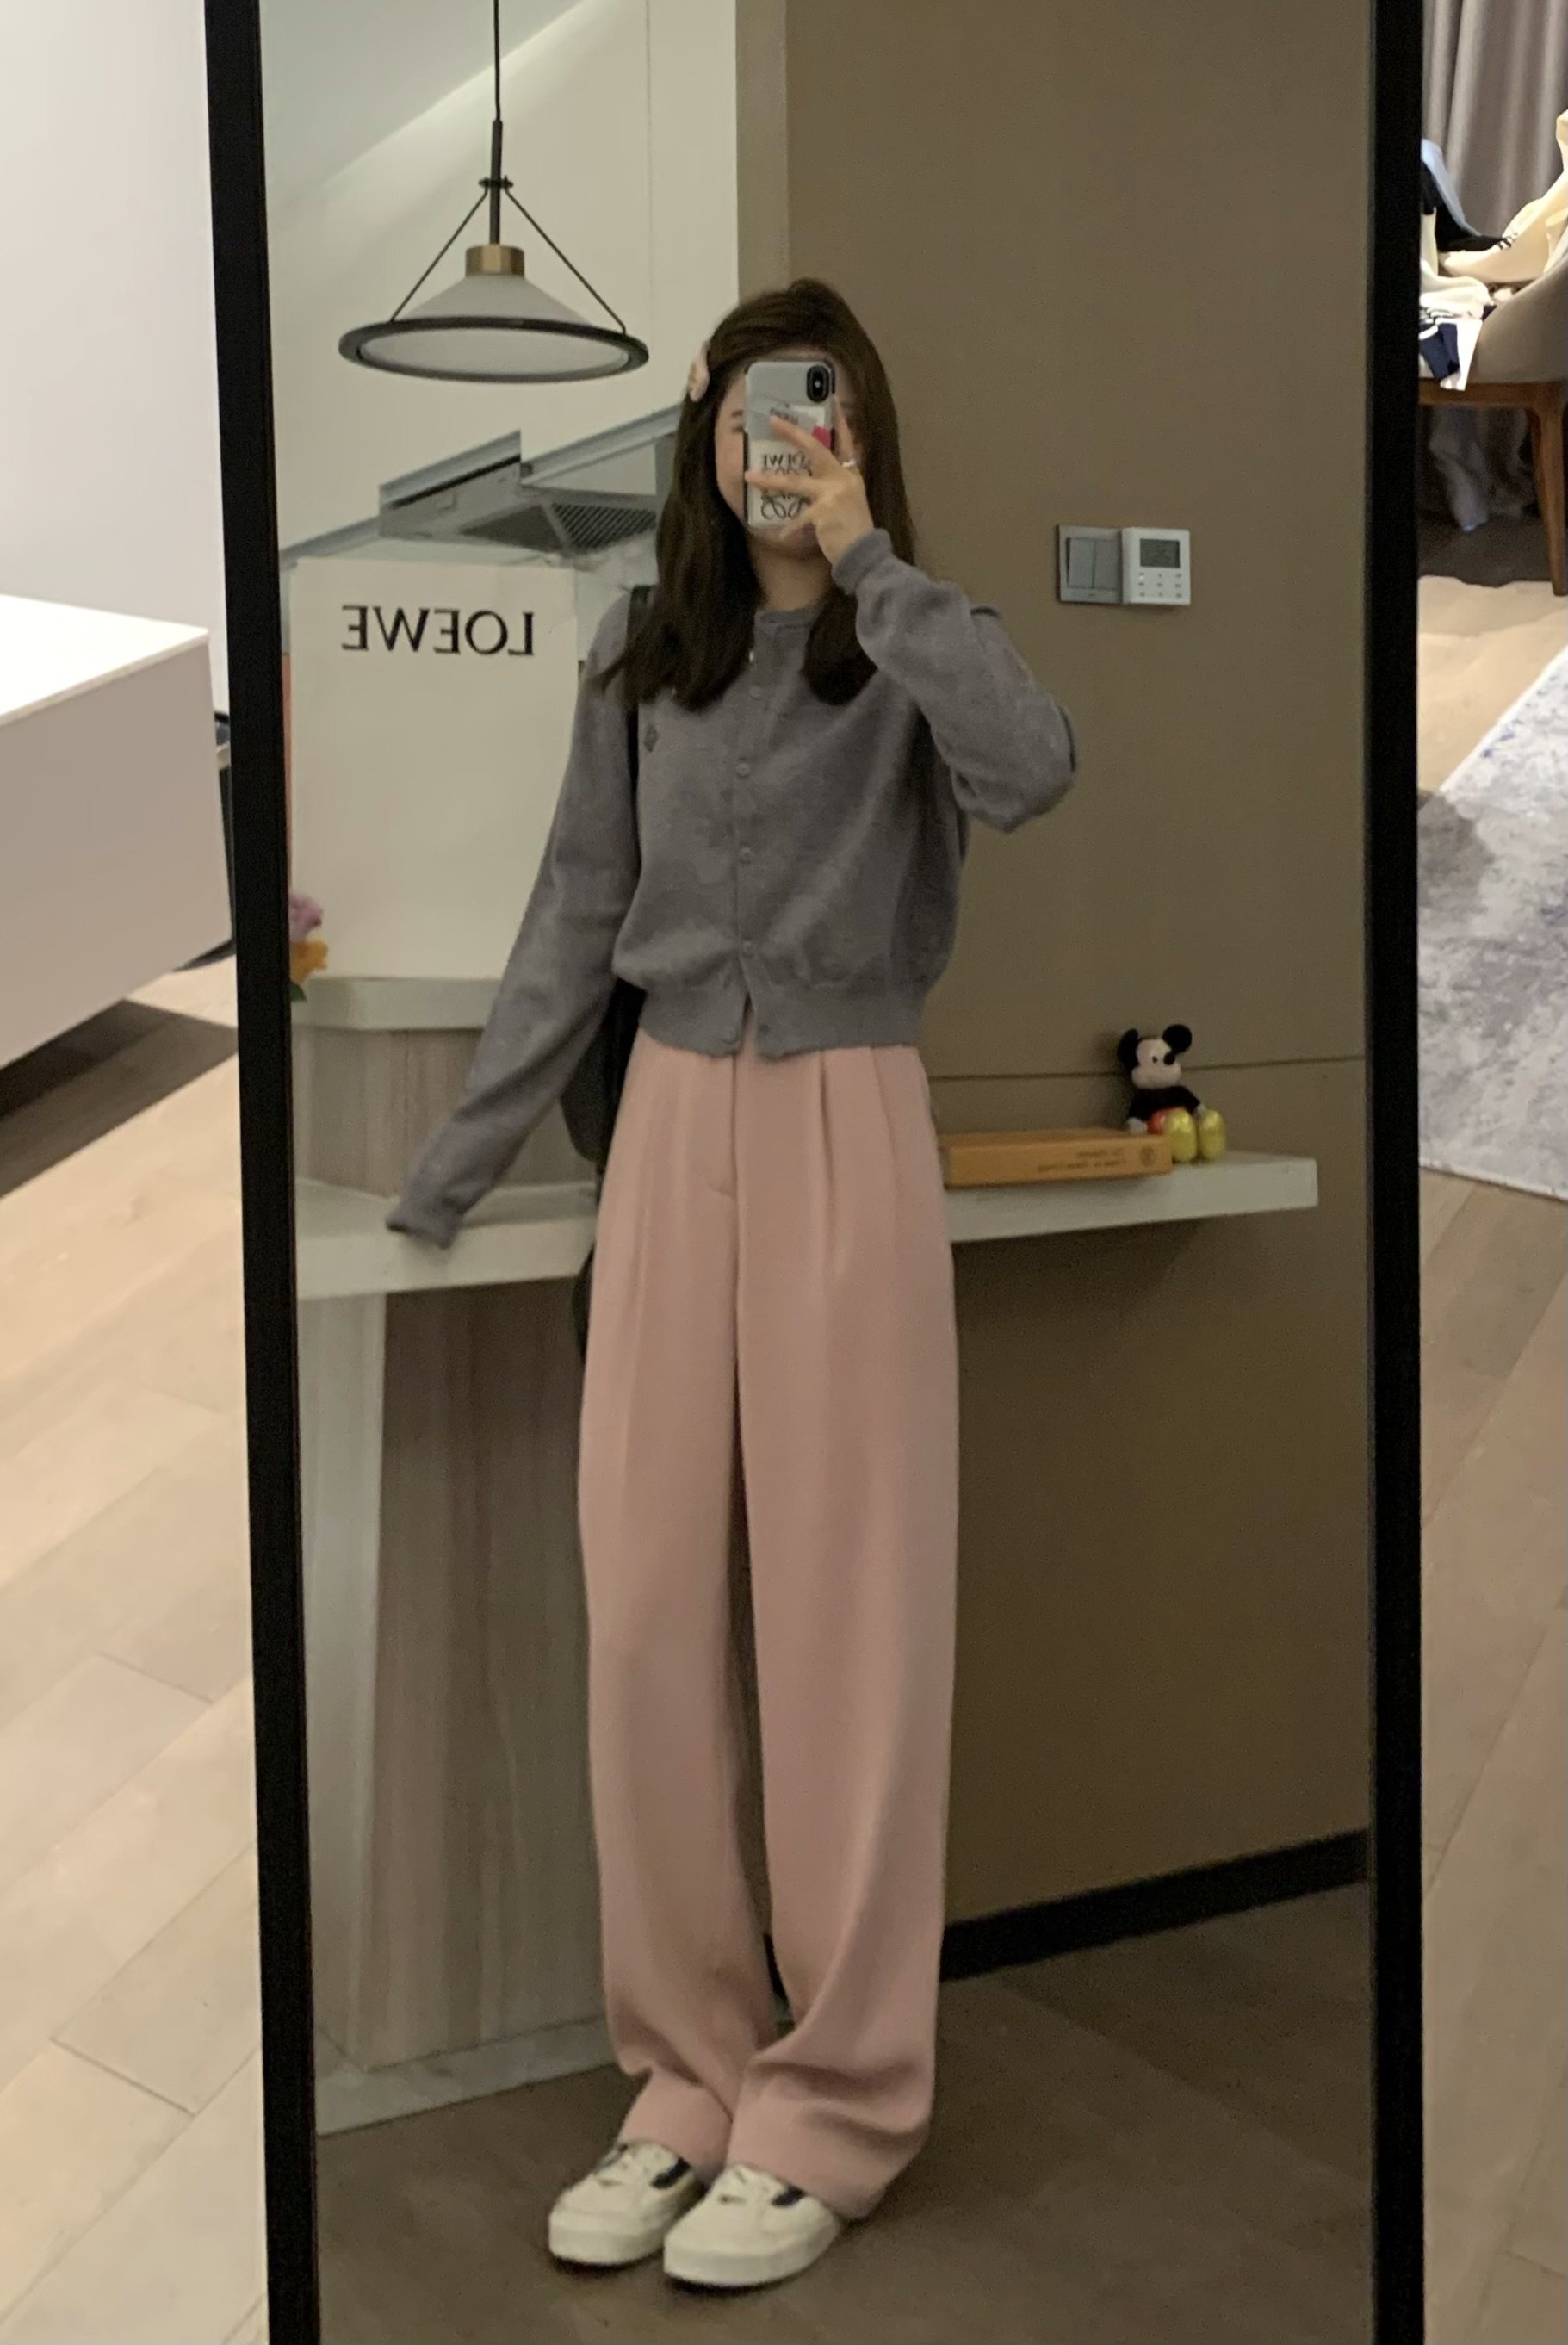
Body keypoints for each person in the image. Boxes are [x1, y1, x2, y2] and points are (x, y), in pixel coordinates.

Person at [389, 277, 1077, 2292]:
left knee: (851, 1627)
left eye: (806, 406)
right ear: (701, 432)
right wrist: (455, 1164)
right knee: (645, 1620)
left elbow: (1033, 768)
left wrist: (866, 561)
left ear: (852, 428)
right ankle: (684, 2075)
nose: (765, 439)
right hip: (671, 1135)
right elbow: (573, 919)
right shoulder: (641, 653)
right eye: (738, 408)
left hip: (849, 1118)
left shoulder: (915, 647)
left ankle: (836, 2102)